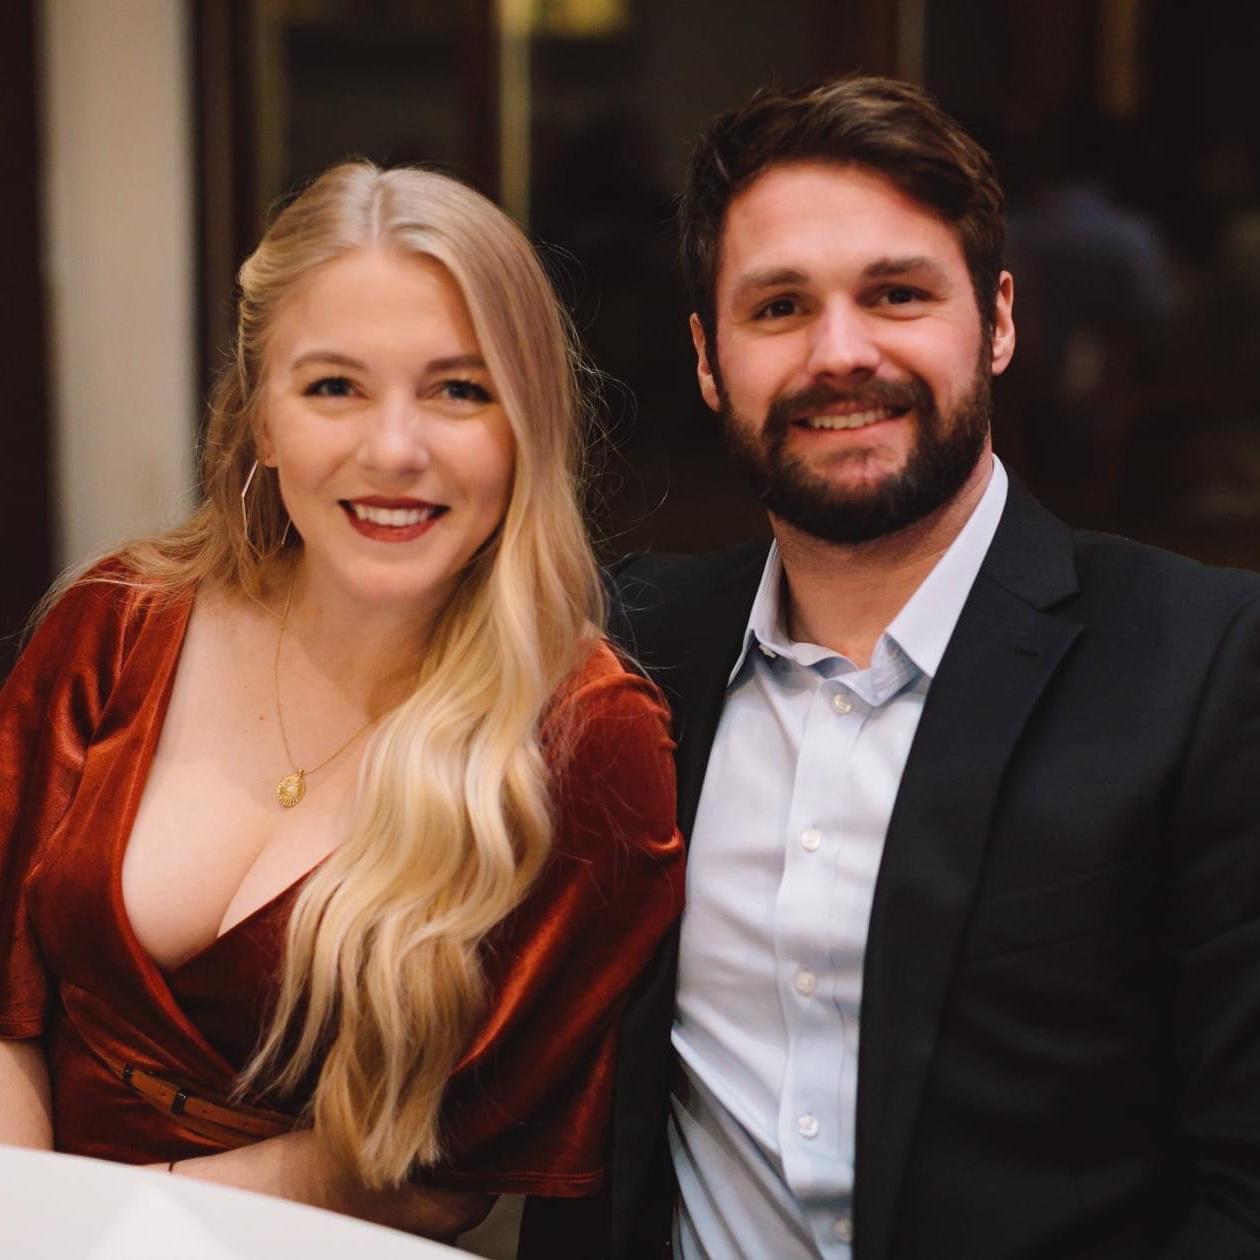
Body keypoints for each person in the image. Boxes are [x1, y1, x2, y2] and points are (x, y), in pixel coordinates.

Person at [586, 76, 1260, 1259]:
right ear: (706, 358)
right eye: (779, 306)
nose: (841, 353)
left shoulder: (1205, 663)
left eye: (897, 294)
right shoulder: (630, 649)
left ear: (996, 320)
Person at [0, 162, 684, 1242]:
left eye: (459, 391)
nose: (394, 450)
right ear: (262, 423)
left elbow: (448, 1165)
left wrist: (111, 1231)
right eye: (334, 388)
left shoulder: (587, 737)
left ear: (526, 427)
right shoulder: (115, 624)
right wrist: (27, 1220)